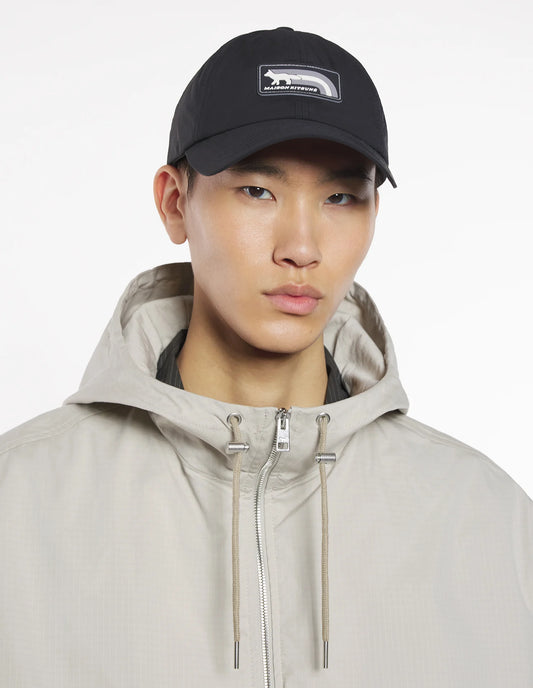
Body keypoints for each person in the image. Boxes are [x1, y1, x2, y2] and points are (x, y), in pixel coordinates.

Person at [0, 26, 531, 687]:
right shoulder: (18, 504)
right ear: (175, 203)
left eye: (341, 196)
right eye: (257, 190)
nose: (301, 247)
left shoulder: (488, 520)